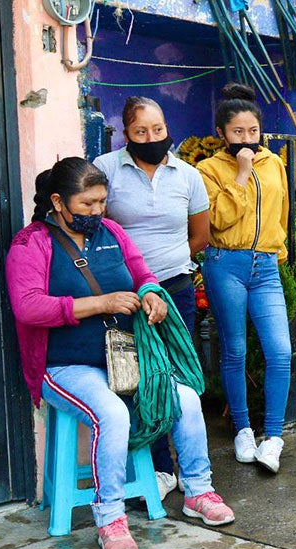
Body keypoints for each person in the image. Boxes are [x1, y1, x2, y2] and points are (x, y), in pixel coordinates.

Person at [6, 158, 234, 549]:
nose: (97, 212)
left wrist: (150, 293)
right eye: (87, 204)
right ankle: (110, 517)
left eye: (101, 202)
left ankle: (198, 491)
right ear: (58, 202)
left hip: (125, 359)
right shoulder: (31, 243)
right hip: (64, 367)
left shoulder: (111, 231)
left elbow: (141, 271)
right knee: (112, 414)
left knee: (185, 399)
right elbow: (28, 308)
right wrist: (99, 303)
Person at [94, 96, 210, 501]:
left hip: (174, 291)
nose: (151, 138)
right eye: (141, 131)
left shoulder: (188, 175)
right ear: (126, 134)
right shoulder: (106, 170)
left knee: (179, 377)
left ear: (167, 128)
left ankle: (193, 469)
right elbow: (96, 229)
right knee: (142, 381)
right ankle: (161, 469)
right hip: (126, 298)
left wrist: (166, 268)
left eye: (157, 130)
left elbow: (199, 236)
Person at [196, 83, 292, 474]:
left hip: (265, 267)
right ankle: (242, 430)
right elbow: (217, 219)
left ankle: (273, 437)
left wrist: (278, 250)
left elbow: (281, 211)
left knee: (280, 352)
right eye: (238, 132)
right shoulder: (208, 170)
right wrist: (241, 171)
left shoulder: (276, 164)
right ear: (222, 133)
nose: (247, 139)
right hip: (225, 264)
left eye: (252, 132)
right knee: (234, 349)